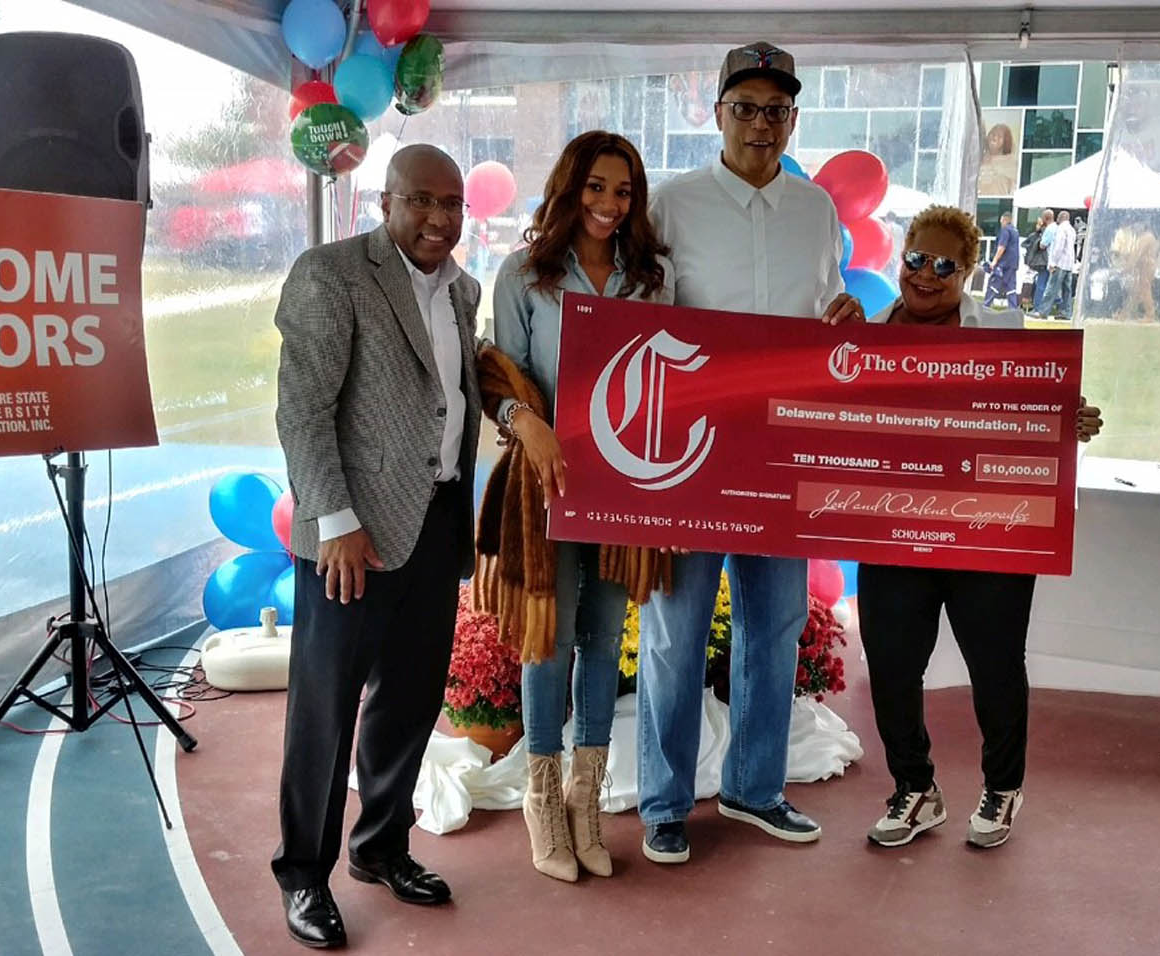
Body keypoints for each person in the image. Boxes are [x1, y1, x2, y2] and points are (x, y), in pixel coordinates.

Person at [637, 40, 862, 866]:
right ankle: (664, 803)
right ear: (719, 113)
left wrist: (840, 331)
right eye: (746, 107)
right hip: (693, 452)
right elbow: (641, 323)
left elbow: (824, 312)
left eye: (777, 110)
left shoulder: (816, 211)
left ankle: (755, 789)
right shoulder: (673, 204)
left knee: (774, 627)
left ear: (793, 119)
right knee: (673, 632)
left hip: (782, 454)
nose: (761, 124)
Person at [270, 145, 481, 948]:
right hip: (350, 538)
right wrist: (335, 522)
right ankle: (302, 876)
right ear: (385, 201)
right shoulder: (332, 274)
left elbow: (450, 401)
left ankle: (381, 846)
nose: (438, 219)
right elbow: (303, 413)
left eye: (452, 204)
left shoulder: (461, 289)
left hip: (434, 526)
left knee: (410, 699)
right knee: (325, 710)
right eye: (422, 201)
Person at [858, 204, 1103, 850]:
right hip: (894, 530)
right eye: (916, 260)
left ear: (968, 272)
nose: (927, 276)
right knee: (890, 665)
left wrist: (1066, 419)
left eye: (945, 266)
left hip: (988, 531)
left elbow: (1041, 404)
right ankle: (916, 788)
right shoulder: (864, 337)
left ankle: (1003, 786)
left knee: (994, 665)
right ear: (901, 256)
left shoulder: (1004, 333)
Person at [485, 130, 674, 882]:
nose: (608, 203)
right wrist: (522, 422)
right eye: (596, 187)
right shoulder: (525, 274)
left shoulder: (652, 278)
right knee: (550, 639)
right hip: (552, 483)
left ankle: (584, 800)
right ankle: (541, 796)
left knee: (603, 637)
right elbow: (499, 377)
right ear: (570, 188)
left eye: (623, 190)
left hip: (626, 483)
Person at [1114, 221, 1160, 322]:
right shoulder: (1142, 237)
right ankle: (1125, 313)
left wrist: (1127, 268)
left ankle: (1150, 315)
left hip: (1146, 266)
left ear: (1144, 225)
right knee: (1135, 291)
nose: (1134, 227)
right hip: (1141, 266)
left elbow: (1136, 254)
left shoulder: (1147, 237)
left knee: (1144, 290)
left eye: (1137, 224)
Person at [1036, 208, 1078, 318]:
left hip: (1059, 263)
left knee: (1051, 288)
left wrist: (1053, 263)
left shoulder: (1061, 229)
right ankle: (1066, 312)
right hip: (1069, 265)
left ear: (1061, 218)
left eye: (1058, 217)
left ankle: (1043, 311)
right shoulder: (1072, 230)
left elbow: (1058, 247)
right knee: (1067, 291)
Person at [982, 210, 1021, 311]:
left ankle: (986, 305)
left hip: (1003, 264)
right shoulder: (1015, 231)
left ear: (1003, 219)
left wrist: (994, 261)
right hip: (1013, 264)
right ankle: (1013, 309)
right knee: (1011, 286)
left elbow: (1002, 247)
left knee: (994, 283)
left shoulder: (1005, 230)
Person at [1024, 210, 1054, 310]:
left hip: (1046, 261)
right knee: (1050, 285)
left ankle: (1038, 307)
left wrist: (1039, 231)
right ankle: (1049, 306)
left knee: (1041, 284)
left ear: (1045, 218)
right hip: (1054, 261)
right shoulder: (1056, 228)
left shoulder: (1048, 230)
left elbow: (1042, 245)